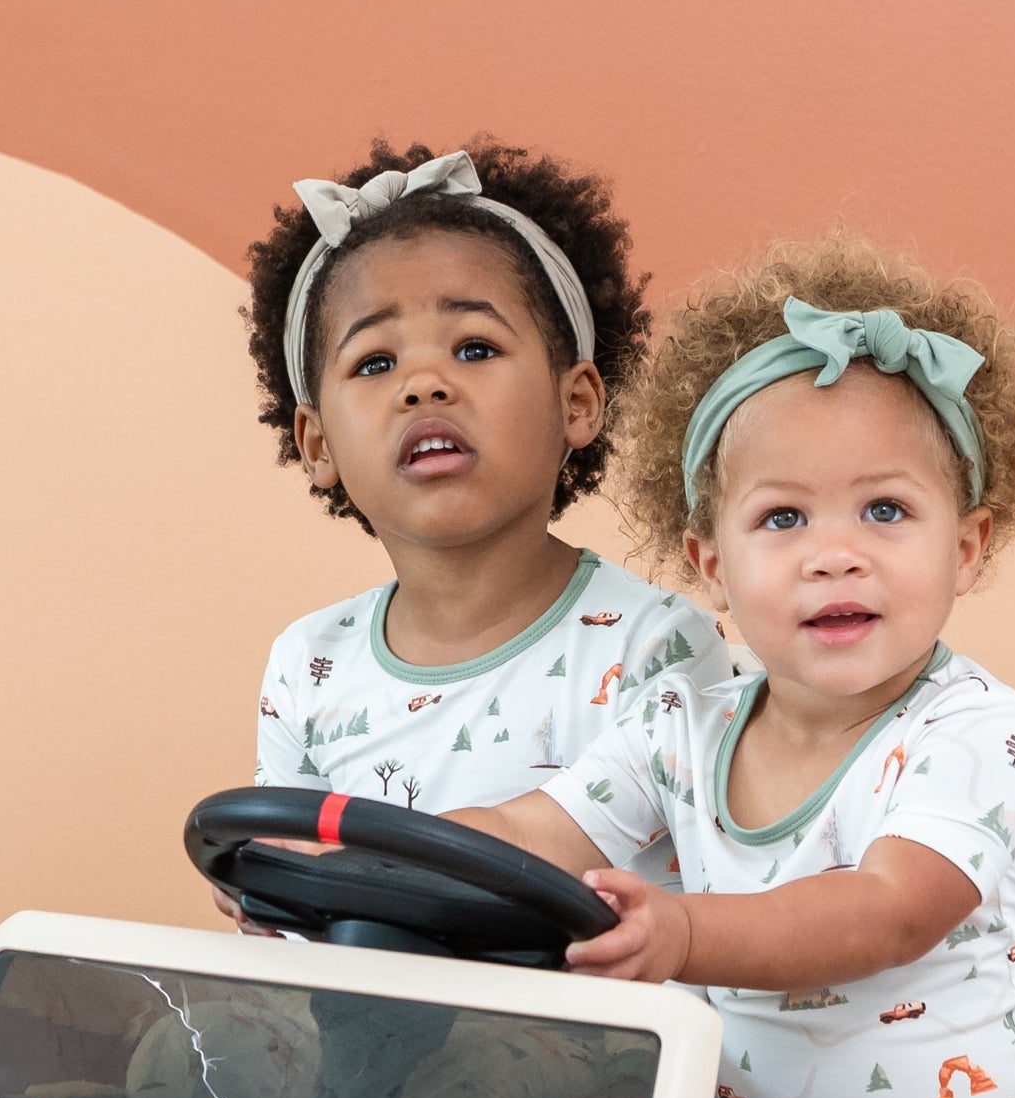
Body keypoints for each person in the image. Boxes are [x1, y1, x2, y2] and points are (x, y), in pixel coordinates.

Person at [453, 235, 1015, 1098]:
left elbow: (882, 912)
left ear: (966, 549)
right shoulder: (680, 723)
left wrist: (683, 934)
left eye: (886, 511)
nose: (837, 552)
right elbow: (533, 831)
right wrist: (354, 849)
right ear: (711, 565)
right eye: (783, 518)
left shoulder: (976, 732)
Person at [243, 142, 719, 818]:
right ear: (318, 444)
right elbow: (293, 902)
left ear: (576, 404)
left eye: (475, 348)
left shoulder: (656, 645)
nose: (423, 385)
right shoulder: (307, 666)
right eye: (375, 363)